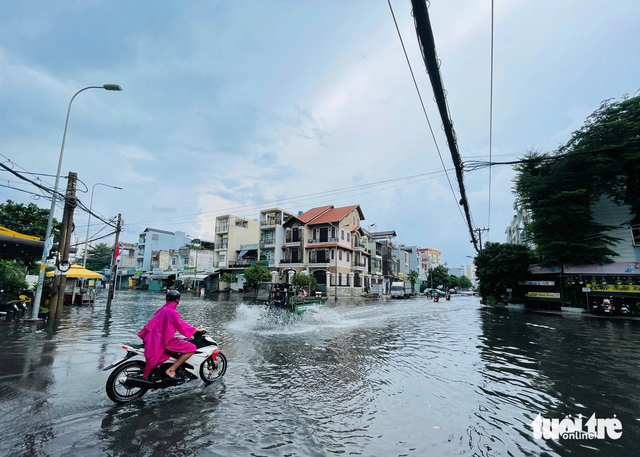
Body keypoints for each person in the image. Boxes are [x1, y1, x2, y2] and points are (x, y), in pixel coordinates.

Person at [138, 290, 206, 380]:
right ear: (177, 301)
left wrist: (193, 328)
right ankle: (171, 370)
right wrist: (197, 329)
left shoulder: (161, 309)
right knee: (191, 348)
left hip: (152, 338)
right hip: (163, 340)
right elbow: (181, 325)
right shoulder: (173, 313)